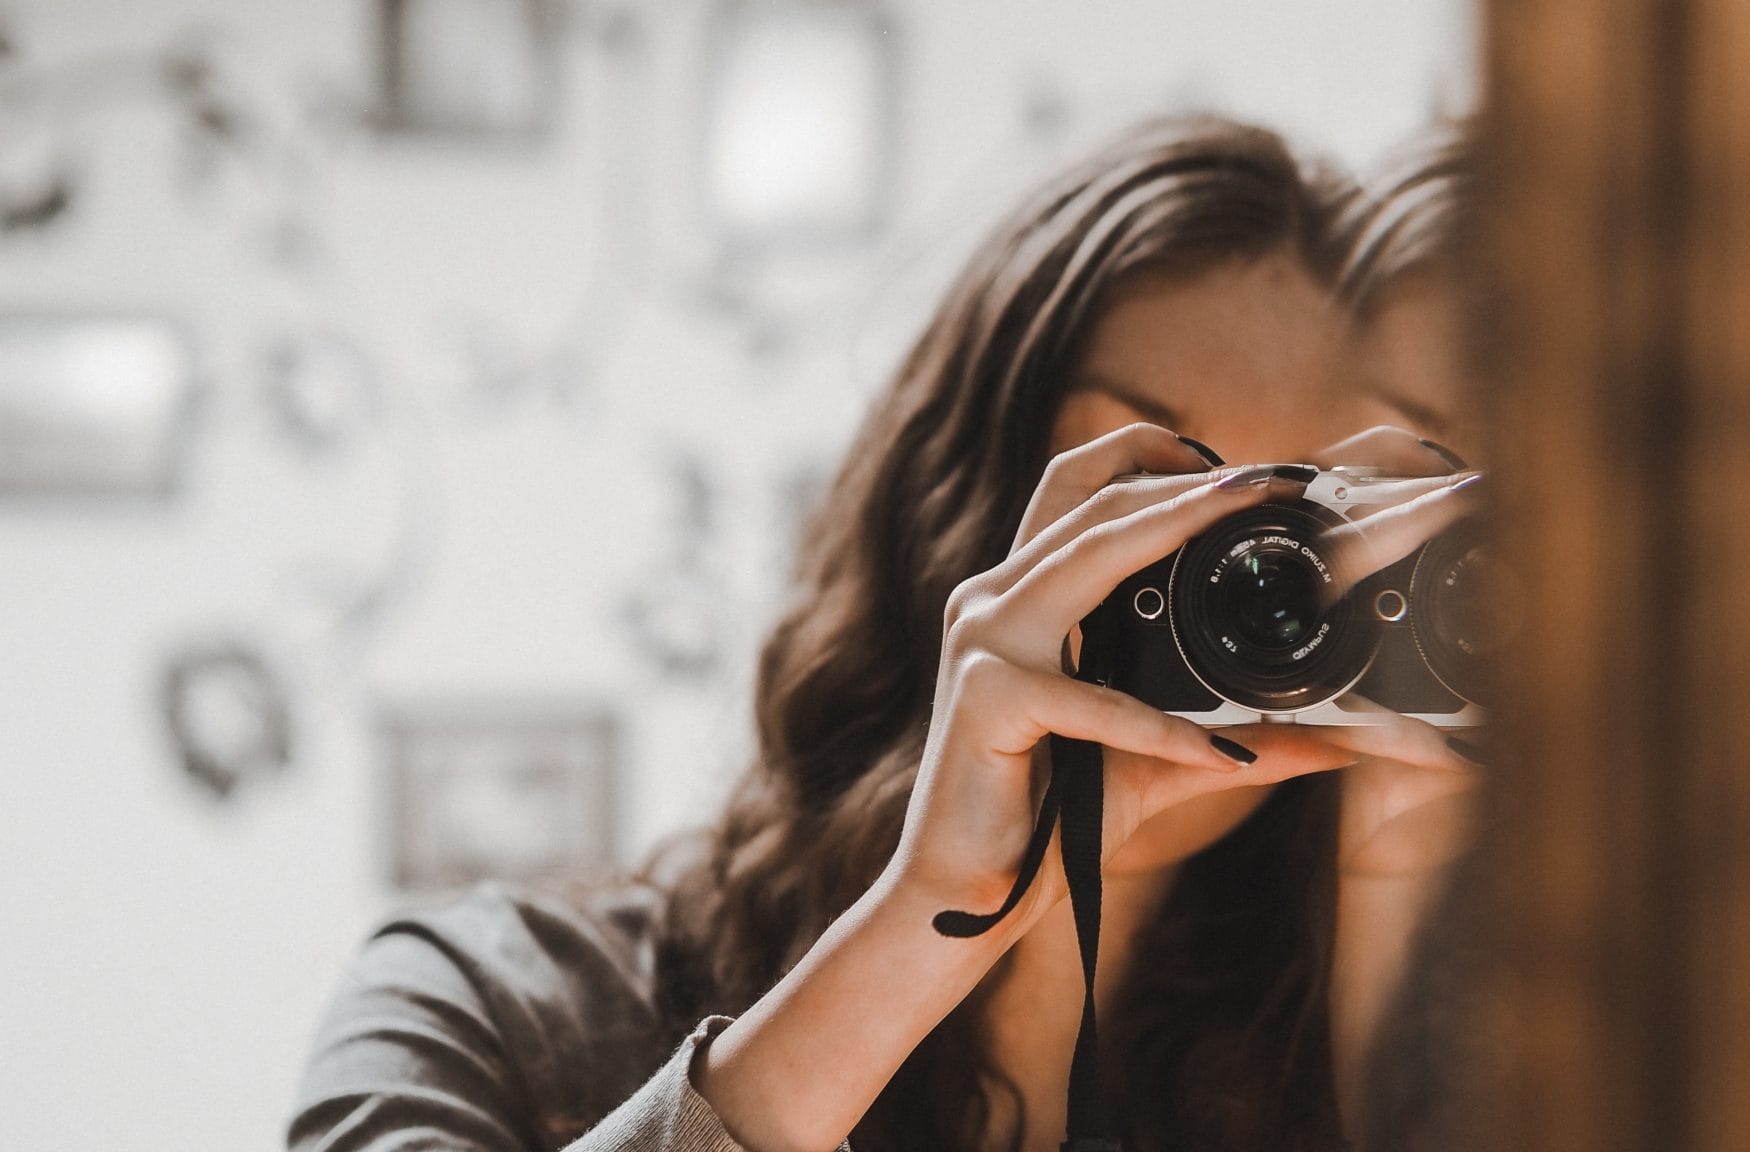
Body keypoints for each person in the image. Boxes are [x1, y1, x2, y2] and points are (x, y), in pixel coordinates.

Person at [289, 113, 1482, 1152]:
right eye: (1152, 490)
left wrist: (1406, 1007)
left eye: (1302, 538)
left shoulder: (1394, 1055)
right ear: (950, 505)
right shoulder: (499, 1015)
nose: (1237, 586)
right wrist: (931, 914)